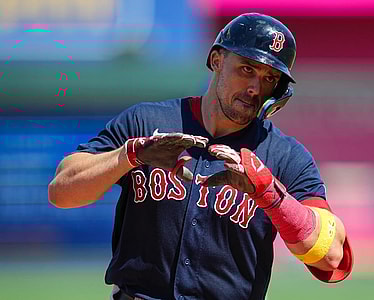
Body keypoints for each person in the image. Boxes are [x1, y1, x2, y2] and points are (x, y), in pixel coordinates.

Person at [48, 13, 353, 300]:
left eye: (270, 77)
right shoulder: (145, 122)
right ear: (217, 60)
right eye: (247, 68)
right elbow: (62, 191)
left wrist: (271, 195)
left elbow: (332, 257)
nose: (254, 87)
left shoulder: (286, 156)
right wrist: (131, 155)